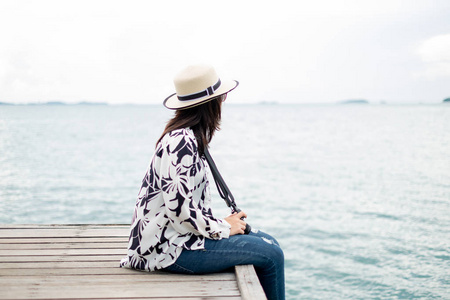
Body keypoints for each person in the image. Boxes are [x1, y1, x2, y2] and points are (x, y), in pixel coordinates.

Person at [120, 64, 285, 300]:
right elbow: (180, 211)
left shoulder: (186, 136)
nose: (223, 102)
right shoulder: (181, 141)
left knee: (270, 242)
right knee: (271, 255)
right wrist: (224, 227)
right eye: (222, 97)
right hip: (167, 249)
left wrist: (223, 224)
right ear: (211, 103)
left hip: (174, 240)